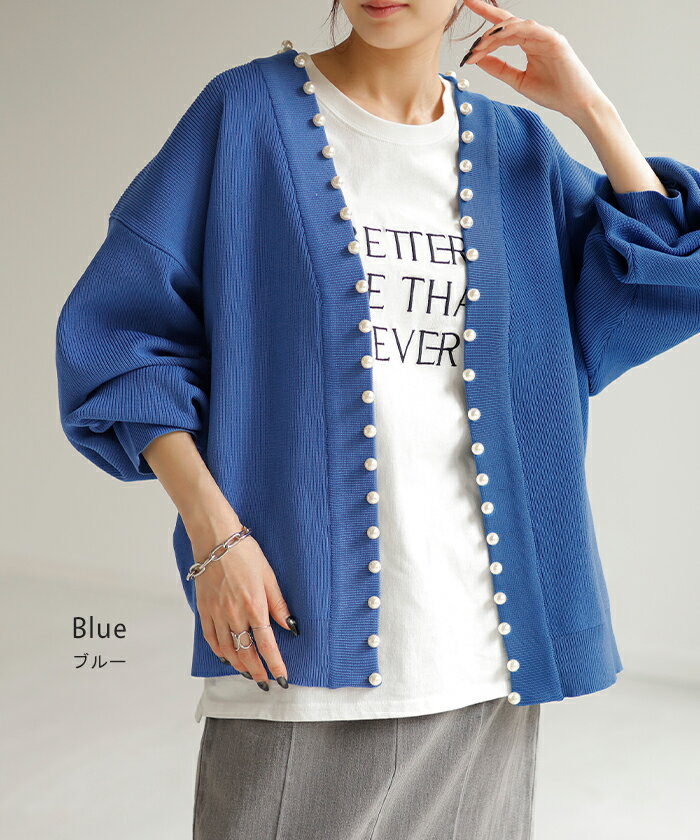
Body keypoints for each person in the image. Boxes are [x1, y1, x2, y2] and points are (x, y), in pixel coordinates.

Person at [55, 1, 700, 837]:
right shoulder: (244, 114)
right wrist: (217, 540)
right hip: (300, 639)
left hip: (482, 655)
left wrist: (591, 110)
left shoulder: (516, 151)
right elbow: (119, 339)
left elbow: (661, 284)